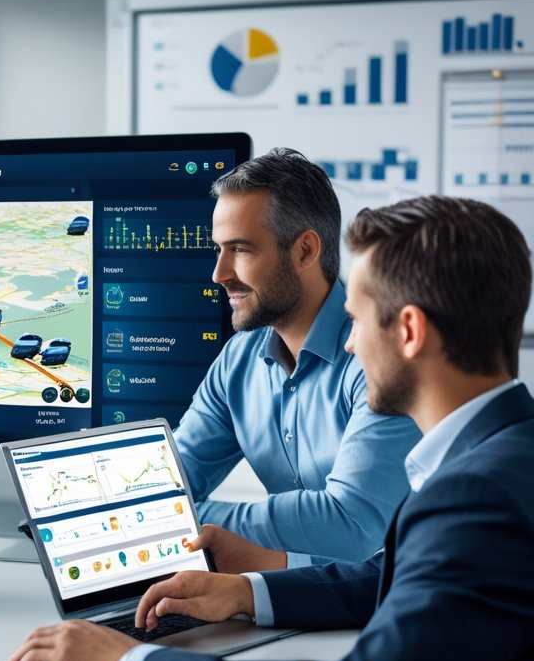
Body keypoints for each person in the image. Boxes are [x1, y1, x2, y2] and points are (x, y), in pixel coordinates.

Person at [9, 195, 534, 661]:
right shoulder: (506, 455)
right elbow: (397, 578)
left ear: (408, 331)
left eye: (355, 319)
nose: (349, 342)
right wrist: (248, 592)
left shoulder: (475, 496)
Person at [173, 147, 421, 570]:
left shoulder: (378, 358)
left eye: (241, 250)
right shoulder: (239, 360)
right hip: (291, 601)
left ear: (305, 251)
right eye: (218, 249)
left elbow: (352, 526)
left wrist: (193, 520)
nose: (219, 273)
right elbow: (166, 485)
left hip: (387, 605)